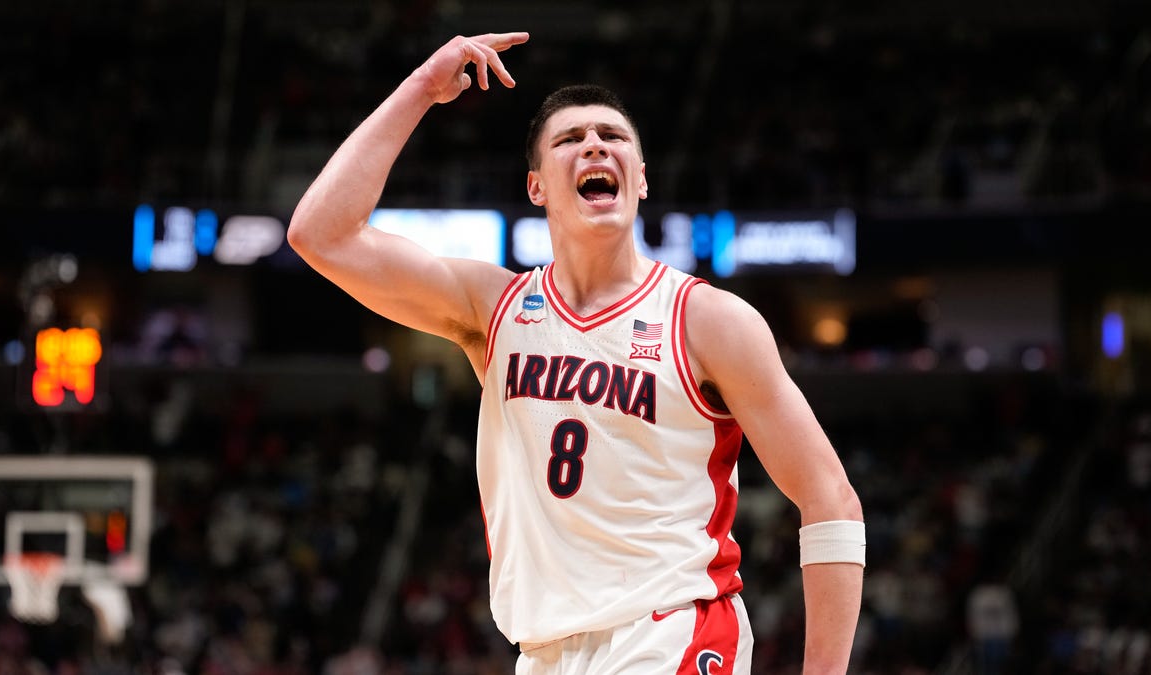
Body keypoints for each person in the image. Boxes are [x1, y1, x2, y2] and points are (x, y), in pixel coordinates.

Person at [288, 32, 865, 674]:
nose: (594, 144)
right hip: (544, 652)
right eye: (569, 139)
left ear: (641, 179)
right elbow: (321, 234)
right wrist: (422, 87)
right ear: (536, 188)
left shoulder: (708, 320)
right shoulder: (494, 307)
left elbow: (830, 498)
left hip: (671, 632)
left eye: (613, 137)